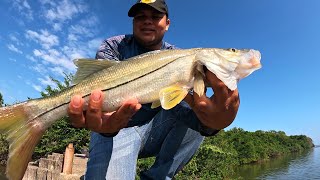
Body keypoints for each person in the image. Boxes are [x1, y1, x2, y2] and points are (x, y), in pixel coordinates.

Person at [68, 0, 240, 179]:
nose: (147, 21)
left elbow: (184, 110)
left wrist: (214, 124)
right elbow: (99, 102)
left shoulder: (180, 57)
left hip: (156, 128)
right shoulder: (114, 46)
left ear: (167, 24)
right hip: (114, 129)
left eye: (156, 16)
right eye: (140, 17)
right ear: (133, 22)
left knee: (197, 107)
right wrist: (107, 127)